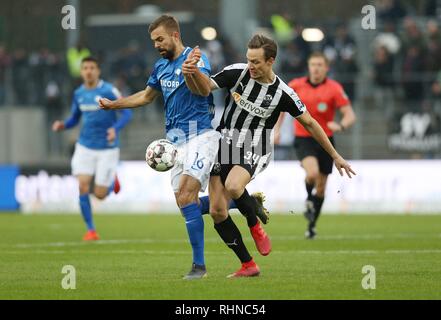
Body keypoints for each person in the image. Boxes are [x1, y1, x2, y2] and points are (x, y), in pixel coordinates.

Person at [99, 14, 267, 280]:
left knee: (187, 194)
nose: (156, 45)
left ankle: (199, 267)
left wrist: (190, 70)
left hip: (201, 136)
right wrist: (113, 104)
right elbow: (145, 96)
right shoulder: (160, 67)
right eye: (154, 41)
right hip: (175, 141)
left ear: (175, 35)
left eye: (160, 39)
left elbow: (203, 90)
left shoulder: (196, 57)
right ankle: (240, 202)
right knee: (185, 202)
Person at [182, 34, 355, 277]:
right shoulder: (237, 72)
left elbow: (311, 124)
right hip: (224, 143)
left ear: (270, 61)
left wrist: (336, 156)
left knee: (233, 185)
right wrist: (191, 72)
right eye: (248, 60)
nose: (250, 66)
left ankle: (254, 225)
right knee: (217, 212)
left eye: (256, 62)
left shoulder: (283, 93)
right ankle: (248, 265)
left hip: (256, 146)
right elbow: (204, 87)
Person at [276, 52, 356, 239]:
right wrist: (277, 129)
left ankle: (311, 224)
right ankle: (309, 199)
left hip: (326, 140)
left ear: (326, 68)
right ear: (309, 66)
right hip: (303, 138)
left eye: (320, 64)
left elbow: (350, 115)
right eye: (313, 64)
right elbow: (281, 107)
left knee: (321, 187)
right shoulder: (296, 85)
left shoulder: (334, 88)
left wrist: (341, 125)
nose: (316, 68)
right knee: (311, 173)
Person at [52, 56, 132, 241]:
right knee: (82, 186)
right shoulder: (79, 93)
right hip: (85, 146)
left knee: (100, 195)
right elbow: (75, 118)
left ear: (98, 71)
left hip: (107, 148)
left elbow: (127, 113)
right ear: (81, 72)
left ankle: (112, 181)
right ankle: (91, 230)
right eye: (85, 68)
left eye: (92, 68)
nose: (88, 71)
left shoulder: (108, 90)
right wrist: (63, 125)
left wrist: (115, 129)